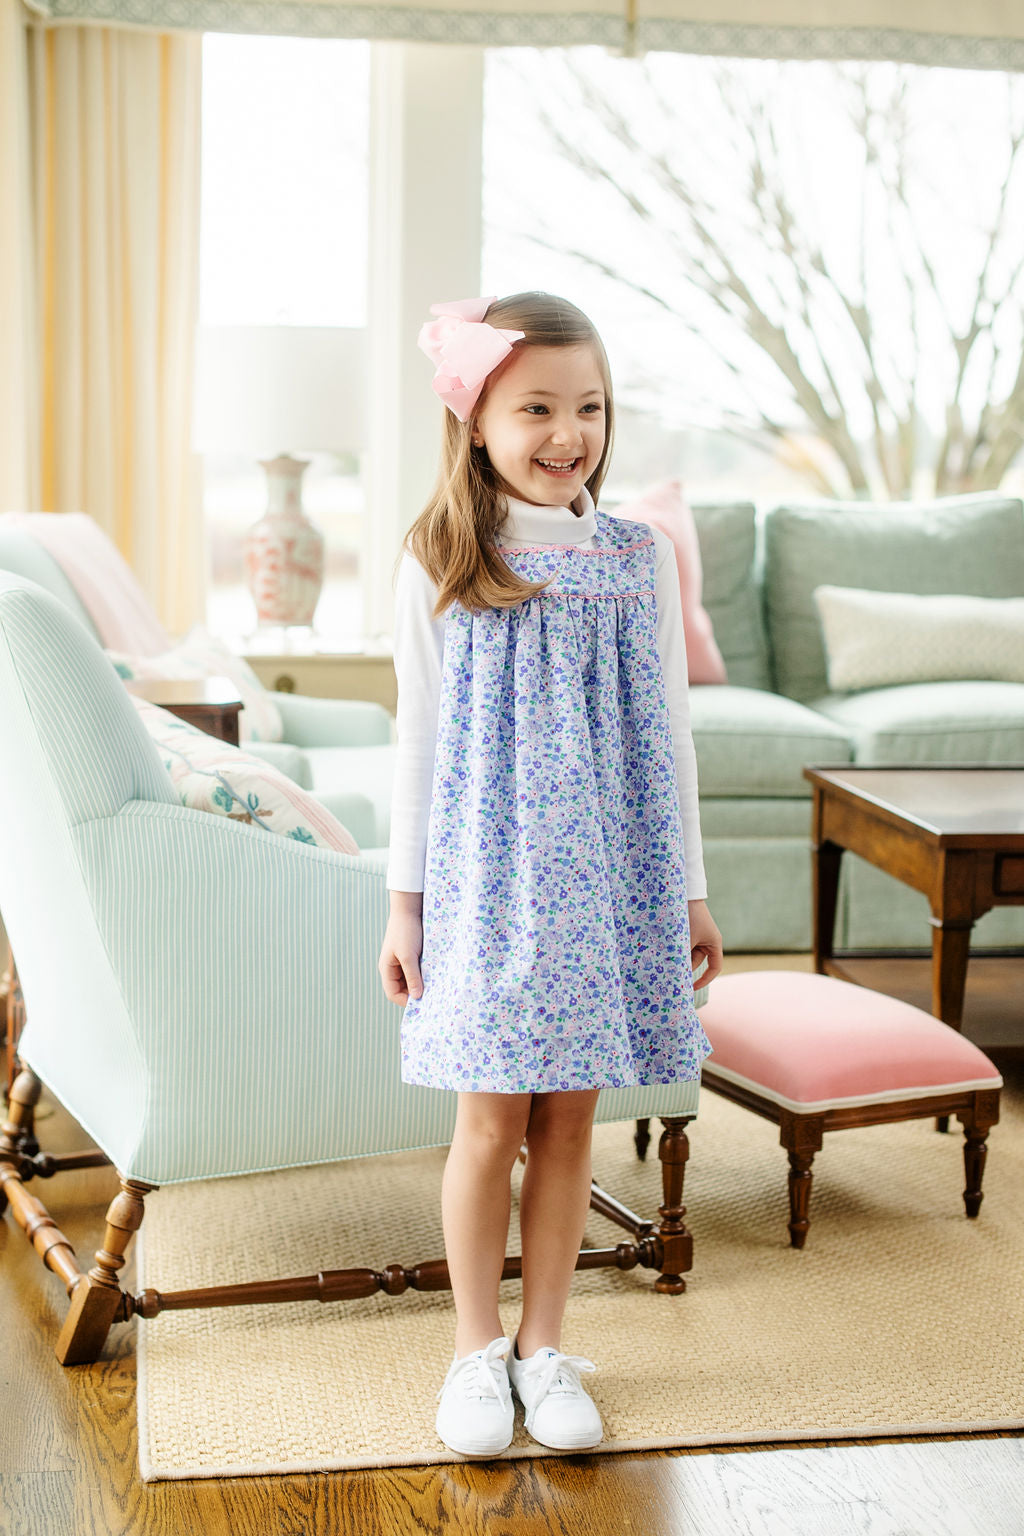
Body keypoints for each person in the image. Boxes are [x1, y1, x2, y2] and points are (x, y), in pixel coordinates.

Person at [378, 292, 723, 1459]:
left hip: (613, 877)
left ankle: (543, 1346)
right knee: (489, 1120)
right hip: (487, 883)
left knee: (570, 1119)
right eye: (536, 408)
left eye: (589, 407)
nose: (568, 433)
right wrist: (404, 906)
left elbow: (670, 738)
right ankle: (474, 1349)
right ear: (475, 421)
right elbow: (417, 745)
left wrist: (691, 892)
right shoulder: (441, 560)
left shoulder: (638, 560)